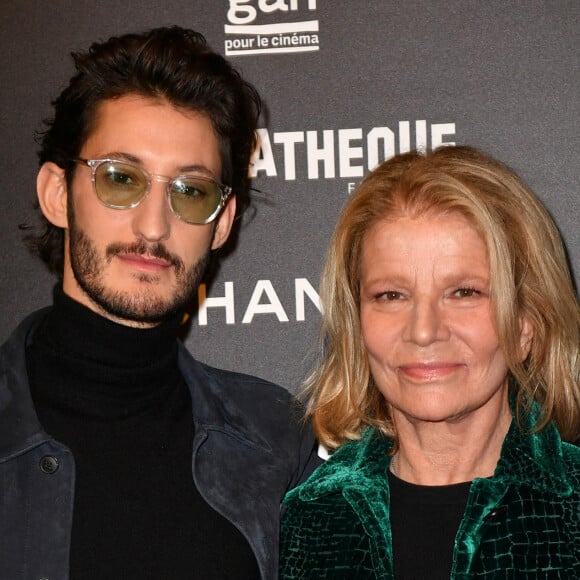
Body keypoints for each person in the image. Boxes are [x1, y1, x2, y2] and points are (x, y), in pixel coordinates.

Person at [0, 26, 318, 580]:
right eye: (121, 179)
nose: (154, 225)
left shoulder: (278, 442)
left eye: (190, 191)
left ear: (220, 224)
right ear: (57, 194)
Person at [279, 146, 580, 579]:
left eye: (464, 292)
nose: (424, 331)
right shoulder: (312, 518)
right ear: (356, 321)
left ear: (525, 322)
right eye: (391, 295)